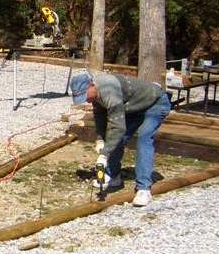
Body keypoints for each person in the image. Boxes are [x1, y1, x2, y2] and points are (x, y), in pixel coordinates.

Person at [69, 72, 171, 207]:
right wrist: (100, 139)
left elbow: (117, 127)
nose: (86, 100)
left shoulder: (109, 91)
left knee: (144, 138)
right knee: (117, 138)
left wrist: (104, 155)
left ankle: (144, 189)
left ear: (91, 85)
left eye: (85, 96)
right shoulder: (96, 95)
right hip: (134, 107)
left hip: (155, 103)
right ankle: (114, 176)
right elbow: (100, 116)